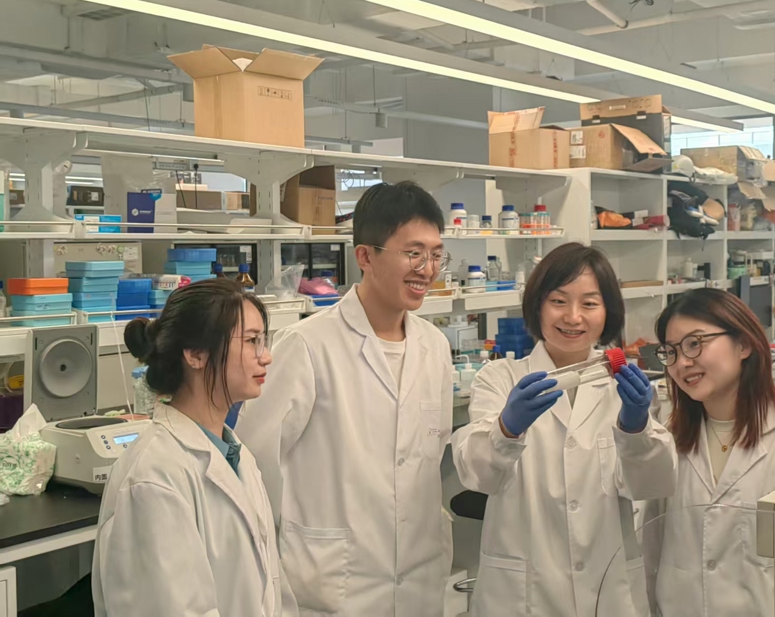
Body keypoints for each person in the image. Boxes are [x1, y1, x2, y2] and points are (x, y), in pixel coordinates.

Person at [236, 181, 454, 617]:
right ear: (365, 257)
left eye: (435, 255)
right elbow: (254, 465)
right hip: (332, 586)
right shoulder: (308, 345)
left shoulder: (435, 347)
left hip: (420, 578)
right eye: (413, 253)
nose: (427, 269)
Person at [452, 242, 677, 617]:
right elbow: (478, 475)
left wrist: (636, 430)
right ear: (537, 306)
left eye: (589, 303)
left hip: (607, 586)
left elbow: (649, 486)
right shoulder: (500, 379)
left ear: (607, 311)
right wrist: (506, 429)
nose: (573, 317)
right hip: (524, 592)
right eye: (558, 301)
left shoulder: (622, 385)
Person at [92, 279, 296, 617]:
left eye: (263, 340)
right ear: (195, 354)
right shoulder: (154, 476)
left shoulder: (236, 455)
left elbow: (267, 588)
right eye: (251, 341)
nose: (267, 356)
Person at [649, 288, 775, 617]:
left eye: (695, 343)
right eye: (671, 351)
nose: (682, 362)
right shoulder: (667, 442)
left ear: (744, 344)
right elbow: (652, 546)